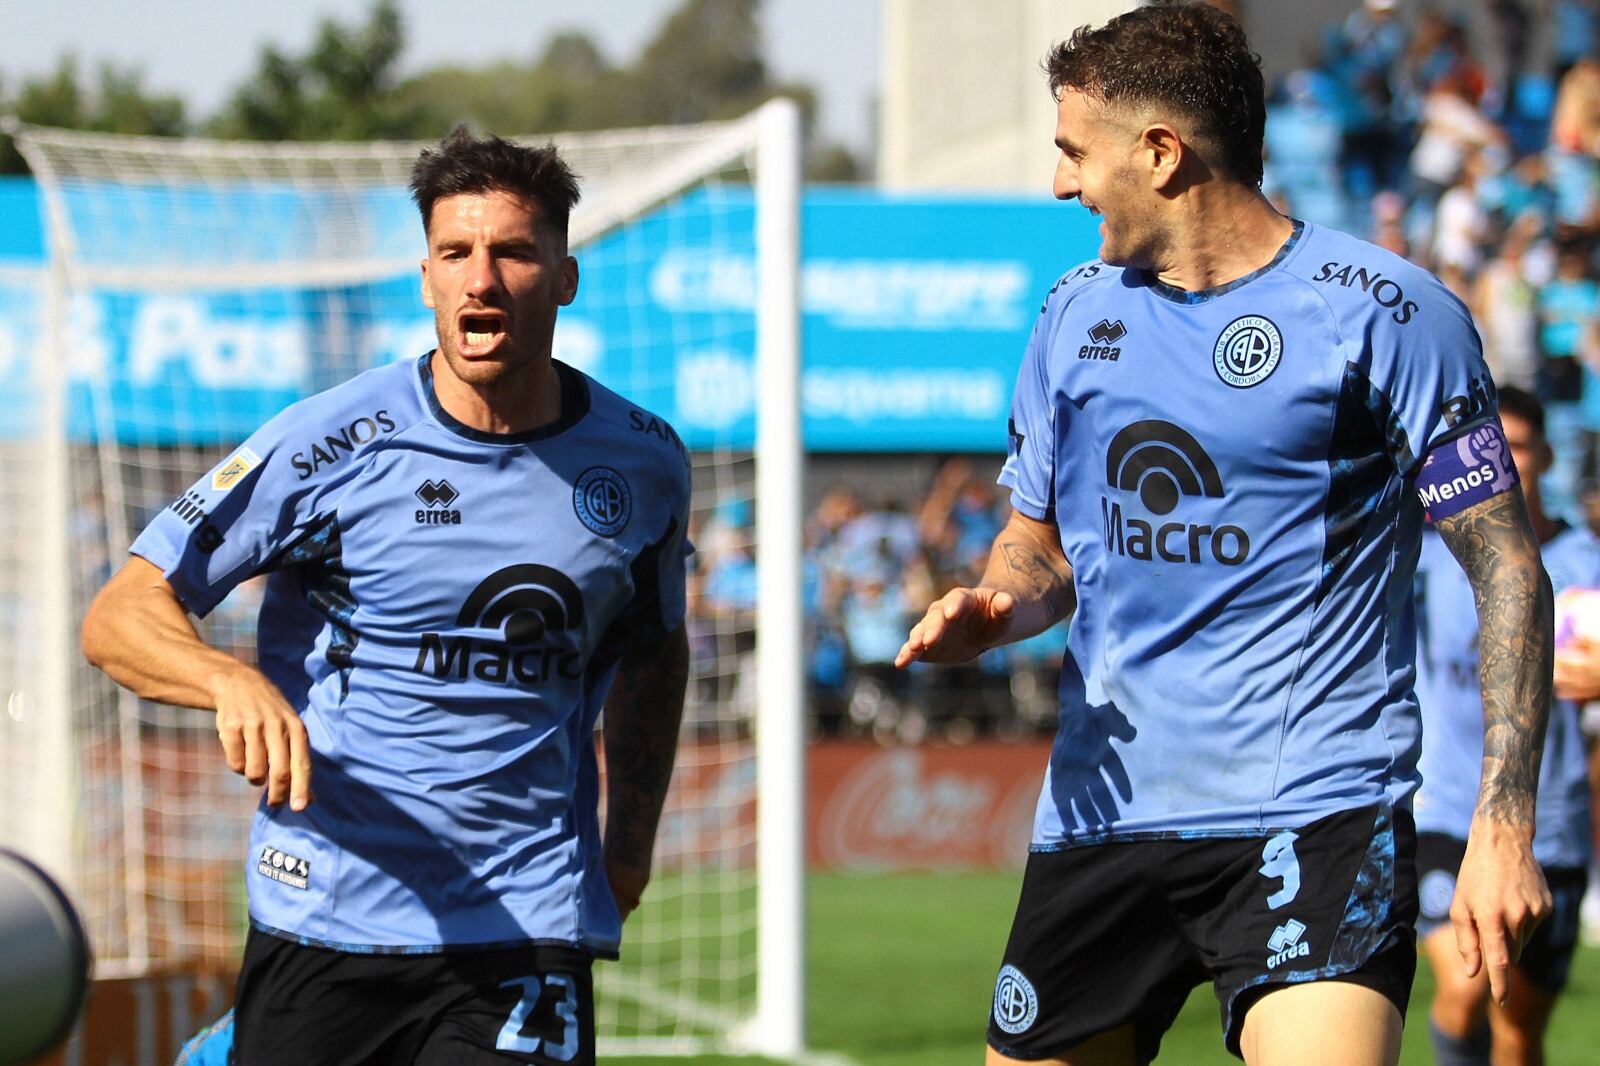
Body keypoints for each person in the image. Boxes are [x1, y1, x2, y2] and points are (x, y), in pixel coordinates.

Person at [896, 5, 1554, 1065]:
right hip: (1104, 816)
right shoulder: (1071, 315)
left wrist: (1501, 826)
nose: (1060, 183)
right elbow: (1041, 542)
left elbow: (1506, 566)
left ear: (1161, 154)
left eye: (1074, 152)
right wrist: (999, 603)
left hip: (1317, 810)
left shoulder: (1387, 313)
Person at [82, 127, 693, 1066]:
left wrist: (630, 846)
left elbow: (656, 647)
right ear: (427, 278)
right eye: (456, 254)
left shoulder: (644, 462)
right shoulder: (329, 441)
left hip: (523, 921)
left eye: (514, 252)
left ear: (565, 277)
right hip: (330, 910)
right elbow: (120, 614)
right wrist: (223, 681)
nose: (481, 280)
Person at [1412, 386, 1594, 1066]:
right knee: (1465, 988)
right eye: (1492, 447)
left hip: (1554, 823)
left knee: (1517, 1028)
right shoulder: (1432, 556)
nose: (1506, 461)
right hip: (1447, 811)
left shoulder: (1586, 566)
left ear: (1545, 453)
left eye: (1517, 445)